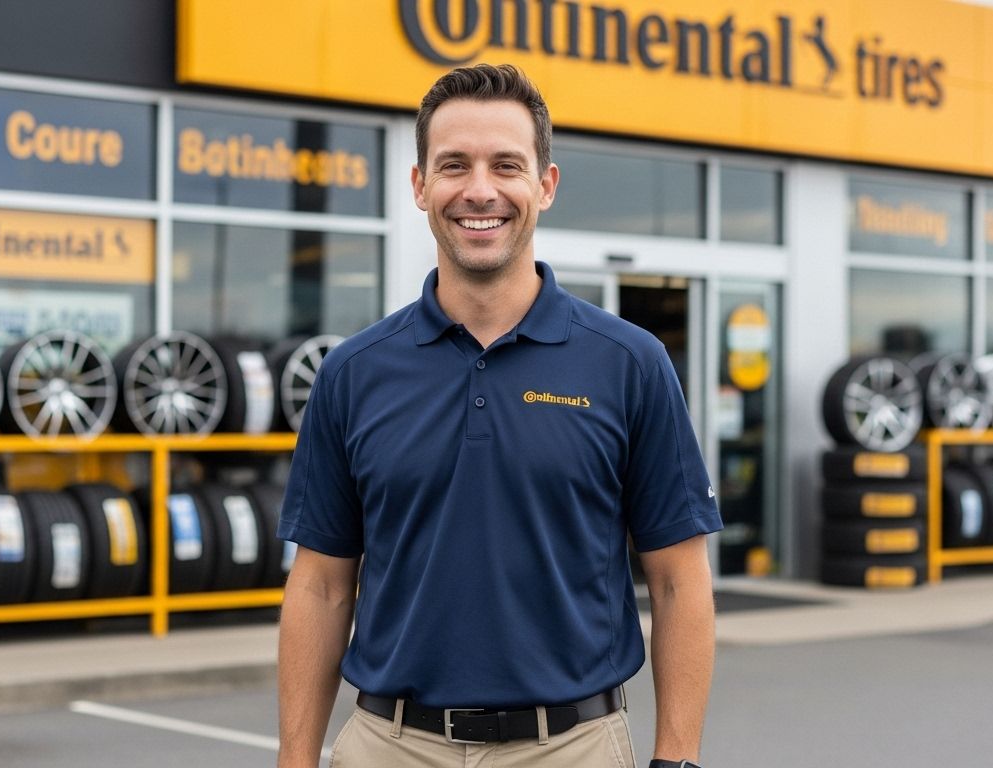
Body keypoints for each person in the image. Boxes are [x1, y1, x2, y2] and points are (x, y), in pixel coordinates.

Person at [276, 63, 721, 768]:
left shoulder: (629, 363)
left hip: (572, 748)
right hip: (389, 746)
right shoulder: (354, 373)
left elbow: (678, 580)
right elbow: (321, 585)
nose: (479, 189)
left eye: (506, 165)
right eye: (454, 165)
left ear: (544, 184)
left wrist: (677, 759)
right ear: (420, 185)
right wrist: (295, 760)